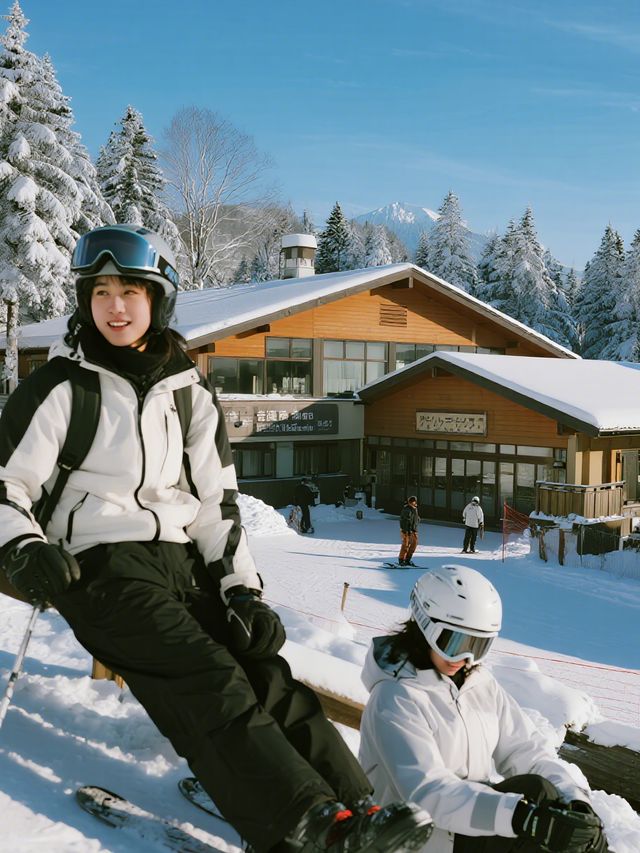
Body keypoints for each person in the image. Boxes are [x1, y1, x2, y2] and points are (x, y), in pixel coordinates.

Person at [0, 225, 433, 853]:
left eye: (130, 291)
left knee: (264, 670)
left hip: (182, 562)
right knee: (207, 676)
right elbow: (7, 484)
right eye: (99, 292)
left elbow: (217, 507)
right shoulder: (63, 386)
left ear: (158, 298)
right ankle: (308, 823)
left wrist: (242, 593)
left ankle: (359, 808)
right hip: (100, 566)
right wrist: (22, 547)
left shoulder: (191, 394)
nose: (114, 307)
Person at [358, 565, 608, 853]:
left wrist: (575, 803)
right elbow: (428, 793)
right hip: (412, 838)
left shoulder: (478, 684)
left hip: (465, 828)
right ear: (424, 625)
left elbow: (526, 749)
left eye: (477, 646)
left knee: (545, 795)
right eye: (453, 643)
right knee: (538, 824)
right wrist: (522, 818)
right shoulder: (395, 697)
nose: (464, 658)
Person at [398, 496, 420, 566]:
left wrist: (416, 523)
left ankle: (407, 559)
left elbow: (416, 519)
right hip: (406, 530)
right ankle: (401, 560)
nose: (413, 503)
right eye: (412, 501)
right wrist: (405, 530)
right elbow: (404, 521)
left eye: (414, 501)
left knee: (414, 544)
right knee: (405, 545)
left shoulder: (415, 509)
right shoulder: (407, 509)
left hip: (414, 530)